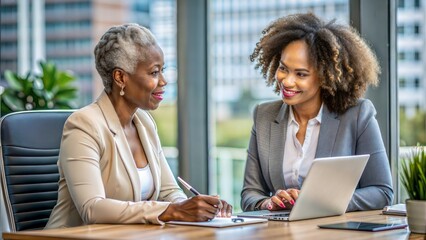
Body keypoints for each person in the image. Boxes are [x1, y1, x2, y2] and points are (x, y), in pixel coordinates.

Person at [45, 23, 232, 229]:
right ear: (120, 77)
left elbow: (169, 192)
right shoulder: (84, 125)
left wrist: (192, 207)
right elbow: (92, 208)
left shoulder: (144, 122)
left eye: (163, 71)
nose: (164, 81)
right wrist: (172, 211)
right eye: (154, 73)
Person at [241, 13, 393, 212]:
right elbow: (250, 194)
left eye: (301, 74)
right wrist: (269, 202)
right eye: (283, 68)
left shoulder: (357, 115)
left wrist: (317, 201)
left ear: (324, 77)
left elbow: (382, 192)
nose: (286, 81)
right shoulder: (264, 115)